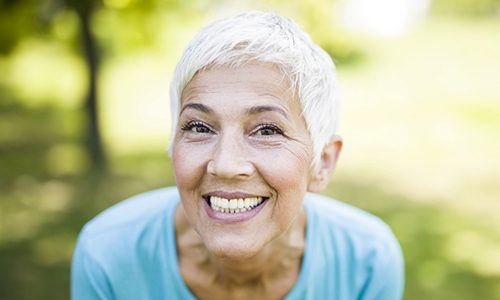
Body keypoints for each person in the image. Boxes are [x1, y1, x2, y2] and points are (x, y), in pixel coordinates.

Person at [71, 11, 404, 300]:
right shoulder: (108, 256)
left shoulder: (367, 262)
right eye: (200, 127)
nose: (226, 165)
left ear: (323, 163)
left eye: (267, 131)